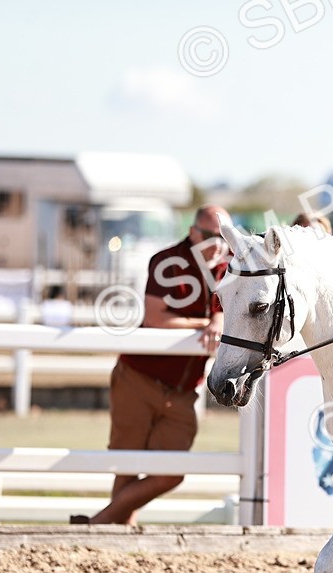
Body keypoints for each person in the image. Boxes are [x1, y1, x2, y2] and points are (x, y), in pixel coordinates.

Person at [72, 205, 229, 525]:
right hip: (139, 378)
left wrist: (217, 318)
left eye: (225, 237)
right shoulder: (167, 262)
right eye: (214, 237)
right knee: (127, 464)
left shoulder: (228, 267)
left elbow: (230, 310)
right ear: (193, 232)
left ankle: (98, 525)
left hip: (184, 390)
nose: (221, 244)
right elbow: (156, 318)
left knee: (171, 472)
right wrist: (206, 324)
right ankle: (116, 532)